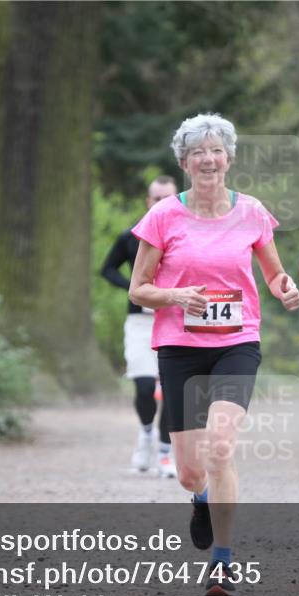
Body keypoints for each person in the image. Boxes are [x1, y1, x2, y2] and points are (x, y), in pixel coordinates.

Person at [129, 113, 299, 596]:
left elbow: (274, 274)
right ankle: (201, 498)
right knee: (189, 471)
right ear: (184, 163)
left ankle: (222, 562)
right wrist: (175, 296)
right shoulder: (164, 216)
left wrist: (285, 289)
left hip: (236, 343)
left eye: (216, 150)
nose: (208, 159)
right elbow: (138, 288)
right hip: (180, 347)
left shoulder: (252, 212)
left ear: (229, 159)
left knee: (221, 447)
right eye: (197, 152)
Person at [100, 176, 179, 477]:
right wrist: (134, 289)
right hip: (140, 321)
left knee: (171, 390)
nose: (161, 204)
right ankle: (146, 433)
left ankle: (165, 452)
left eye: (167, 198)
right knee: (145, 387)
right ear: (148, 201)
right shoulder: (132, 236)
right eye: (156, 199)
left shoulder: (187, 236)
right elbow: (107, 269)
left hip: (174, 320)